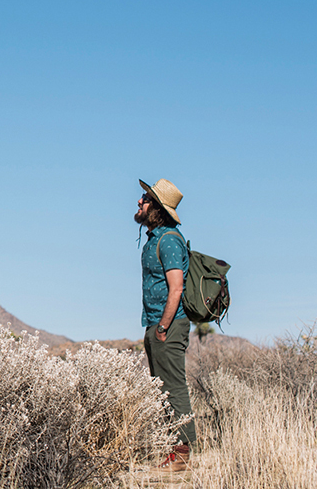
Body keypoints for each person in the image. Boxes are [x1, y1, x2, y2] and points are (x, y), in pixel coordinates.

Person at [136, 177, 194, 473]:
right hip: (157, 323)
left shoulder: (169, 240)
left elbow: (176, 288)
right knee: (163, 389)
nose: (139, 202)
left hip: (168, 325)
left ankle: (181, 455)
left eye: (145, 199)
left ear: (156, 207)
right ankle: (173, 452)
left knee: (173, 387)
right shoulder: (155, 238)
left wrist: (162, 327)